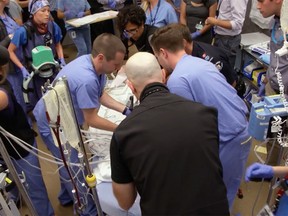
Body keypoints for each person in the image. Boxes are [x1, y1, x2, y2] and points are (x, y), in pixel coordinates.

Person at [110, 52, 229, 215]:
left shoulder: (123, 133)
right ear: (164, 75)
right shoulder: (205, 114)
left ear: (130, 86)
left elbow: (125, 202)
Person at [150, 24, 252, 210]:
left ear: (163, 53)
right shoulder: (201, 62)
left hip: (231, 138)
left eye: (157, 56)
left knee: (220, 196)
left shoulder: (177, 80)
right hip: (238, 124)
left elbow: (190, 129)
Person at [33, 33, 129, 214]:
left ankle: (65, 196)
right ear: (101, 57)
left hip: (62, 115)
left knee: (66, 162)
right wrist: (120, 128)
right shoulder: (86, 79)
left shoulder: (91, 63)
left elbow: (100, 94)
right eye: (116, 65)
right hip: (53, 122)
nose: (117, 69)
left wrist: (124, 110)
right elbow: (91, 119)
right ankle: (87, 209)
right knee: (73, 168)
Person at [0, 45, 54, 216]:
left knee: (35, 192)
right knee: (12, 188)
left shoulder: (2, 93)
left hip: (21, 149)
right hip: (6, 151)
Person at [8, 0, 65, 112]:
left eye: (48, 10)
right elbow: (10, 51)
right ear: (33, 13)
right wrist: (22, 68)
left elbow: (58, 44)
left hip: (52, 69)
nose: (47, 13)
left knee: (57, 98)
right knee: (42, 104)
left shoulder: (53, 26)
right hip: (34, 74)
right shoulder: (23, 31)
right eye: (43, 10)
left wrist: (61, 59)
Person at [255, 0, 287, 97]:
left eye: (261, 1)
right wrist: (267, 80)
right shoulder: (276, 21)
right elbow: (276, 56)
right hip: (273, 87)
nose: (257, 6)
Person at [205, 0, 248, 69]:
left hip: (227, 41)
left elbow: (238, 24)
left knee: (225, 72)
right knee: (217, 69)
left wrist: (215, 21)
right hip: (220, 37)